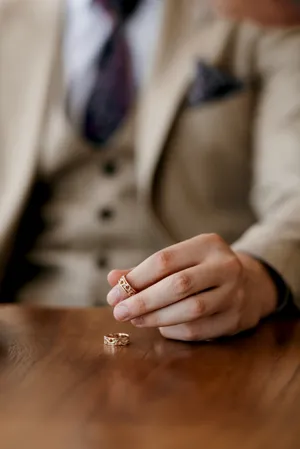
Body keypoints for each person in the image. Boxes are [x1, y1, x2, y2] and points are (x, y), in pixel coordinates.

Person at [0, 0, 300, 342]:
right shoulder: (7, 22)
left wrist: (258, 273)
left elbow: (295, 194)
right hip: (23, 336)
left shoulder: (262, 11)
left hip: (201, 342)